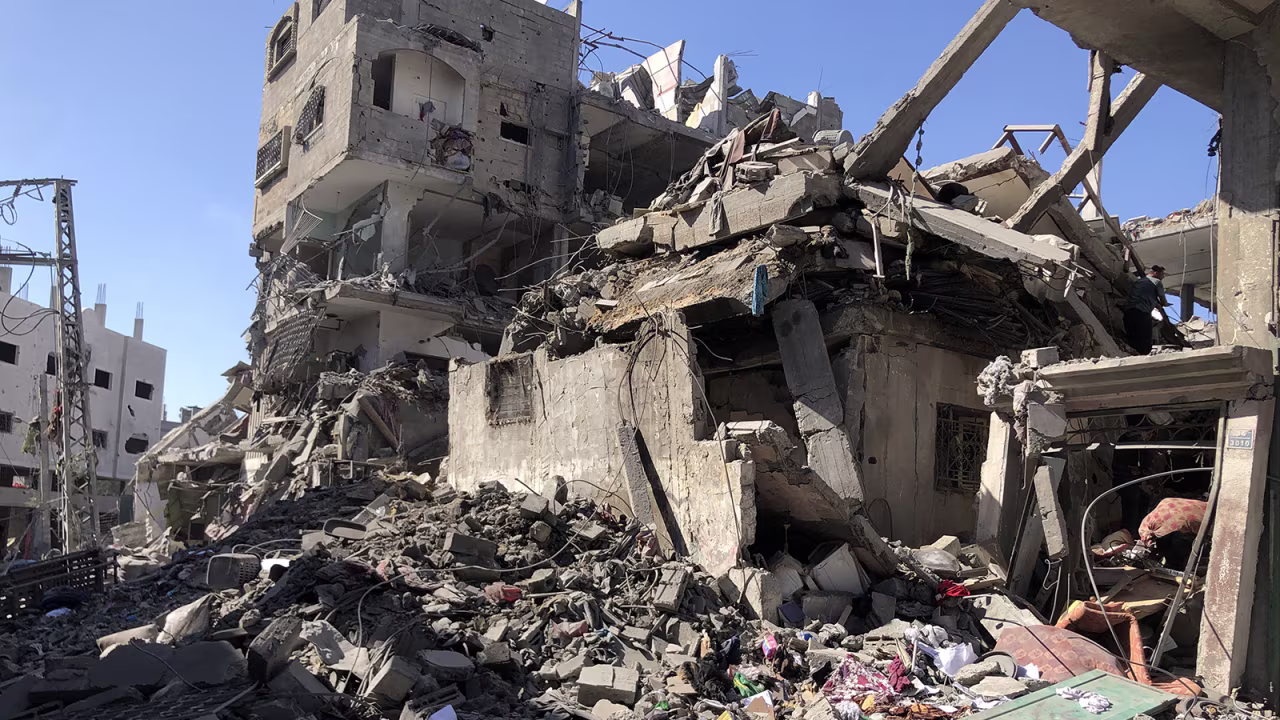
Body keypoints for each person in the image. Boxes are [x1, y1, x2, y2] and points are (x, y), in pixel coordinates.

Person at [1121, 265, 1170, 355]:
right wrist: (1164, 304)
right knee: (1145, 342)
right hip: (1142, 314)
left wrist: (1156, 304)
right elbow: (1162, 298)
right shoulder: (1156, 282)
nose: (1162, 277)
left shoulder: (1137, 282)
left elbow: (1143, 296)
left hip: (1129, 313)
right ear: (1155, 273)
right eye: (1162, 274)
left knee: (1133, 339)